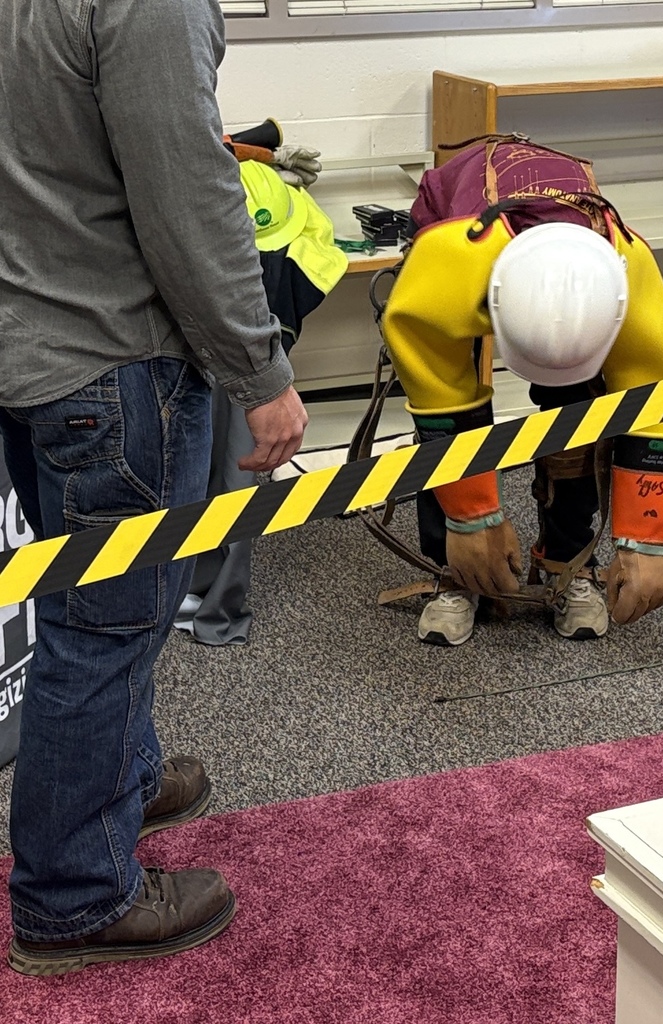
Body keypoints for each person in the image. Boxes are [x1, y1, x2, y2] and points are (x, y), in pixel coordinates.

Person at [0, 0, 308, 975]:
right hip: (107, 360)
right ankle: (74, 893)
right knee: (108, 625)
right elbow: (187, 196)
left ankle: (115, 778)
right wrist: (262, 374)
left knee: (84, 605)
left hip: (28, 344)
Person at [381, 135, 663, 647]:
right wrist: (471, 517)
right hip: (461, 229)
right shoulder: (445, 268)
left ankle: (568, 562)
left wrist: (647, 544)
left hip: (568, 254)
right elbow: (442, 414)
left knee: (580, 415)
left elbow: (653, 417)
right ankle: (453, 567)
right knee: (453, 420)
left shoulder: (631, 273)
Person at [174, 144, 348, 645]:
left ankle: (214, 609)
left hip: (231, 302)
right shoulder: (271, 198)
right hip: (222, 293)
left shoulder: (249, 192)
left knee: (230, 473)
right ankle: (198, 595)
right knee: (205, 467)